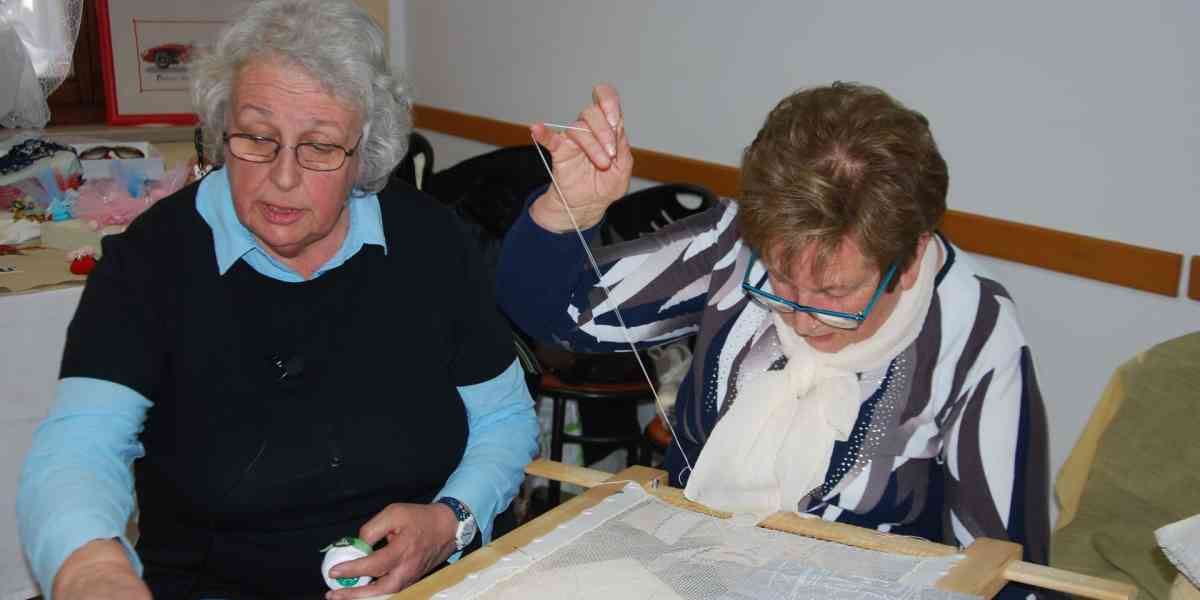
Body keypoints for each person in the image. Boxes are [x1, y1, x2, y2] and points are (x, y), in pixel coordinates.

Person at [17, 1, 539, 598]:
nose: (283, 177)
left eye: (318, 147)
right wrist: (92, 570)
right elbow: (79, 444)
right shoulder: (150, 261)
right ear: (221, 131)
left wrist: (451, 522)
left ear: (363, 153)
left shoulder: (428, 238)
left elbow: (502, 416)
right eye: (258, 138)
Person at [497, 82, 1054, 598]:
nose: (803, 320)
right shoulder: (734, 245)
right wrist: (572, 209)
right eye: (782, 281)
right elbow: (557, 314)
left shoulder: (974, 327)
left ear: (909, 261)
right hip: (692, 576)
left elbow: (1001, 565)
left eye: (836, 292)